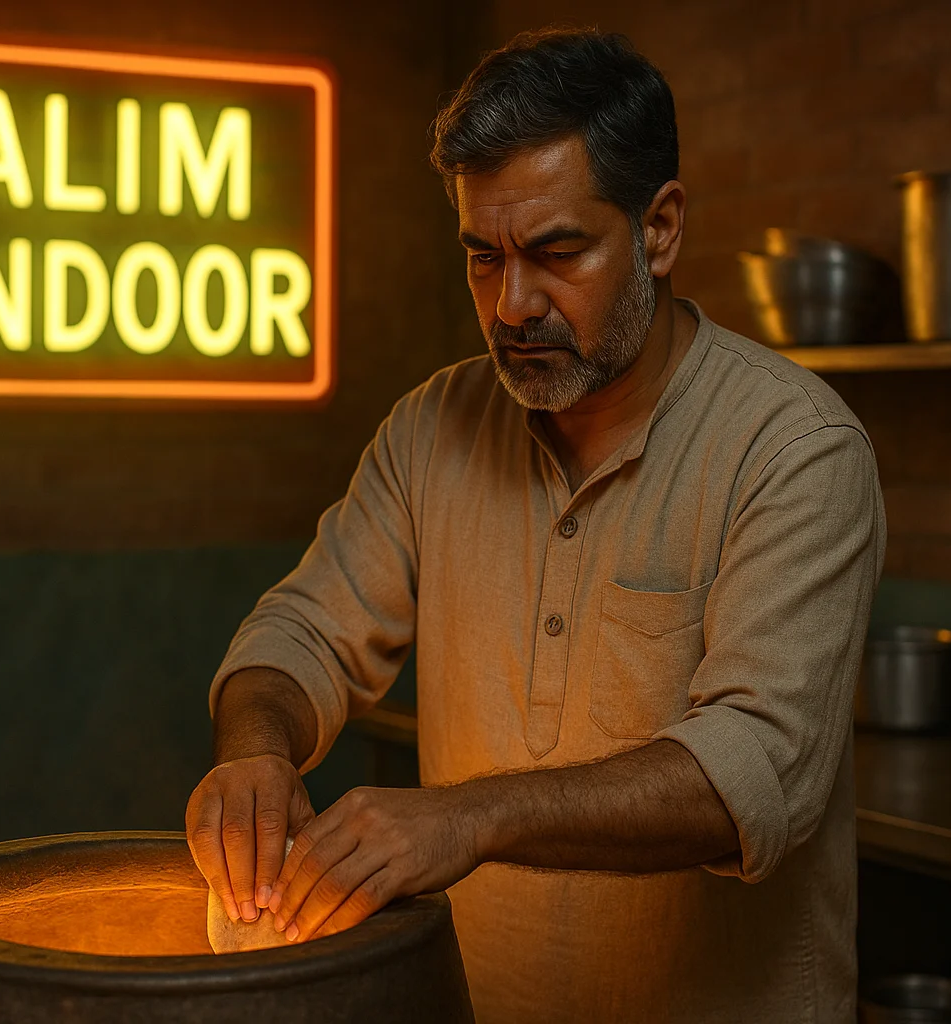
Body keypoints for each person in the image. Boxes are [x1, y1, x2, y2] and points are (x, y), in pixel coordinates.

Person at [185, 27, 885, 1024]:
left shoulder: (794, 447)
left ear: (660, 228)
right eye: (483, 257)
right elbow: (301, 633)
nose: (512, 303)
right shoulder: (433, 428)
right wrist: (255, 747)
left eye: (557, 252)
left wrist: (472, 816)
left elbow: (757, 767)